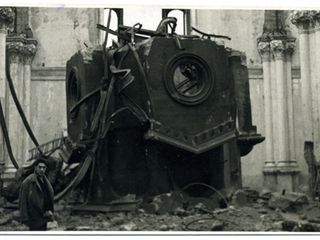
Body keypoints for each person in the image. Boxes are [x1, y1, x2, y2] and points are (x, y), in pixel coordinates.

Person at [19, 158, 54, 231]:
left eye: (44, 167)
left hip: (44, 217)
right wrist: (24, 218)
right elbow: (22, 201)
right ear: (35, 168)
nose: (42, 169)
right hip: (33, 217)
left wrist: (49, 211)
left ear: (46, 168)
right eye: (39, 167)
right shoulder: (28, 182)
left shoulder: (45, 181)